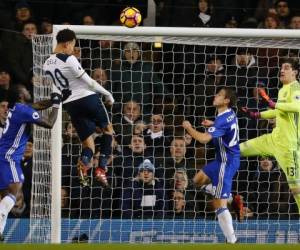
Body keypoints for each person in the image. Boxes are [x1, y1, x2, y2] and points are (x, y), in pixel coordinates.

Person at [43, 28, 115, 187]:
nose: (72, 49)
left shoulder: (46, 64)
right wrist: (107, 93)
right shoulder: (69, 59)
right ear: (67, 43)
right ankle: (101, 169)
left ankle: (84, 165)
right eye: (72, 45)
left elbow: (57, 89)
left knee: (88, 145)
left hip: (71, 105)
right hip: (87, 98)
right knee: (108, 130)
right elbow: (89, 82)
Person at [0, 85, 61, 241]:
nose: (28, 91)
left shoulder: (18, 108)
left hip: (3, 154)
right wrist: (56, 105)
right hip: (9, 157)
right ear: (21, 95)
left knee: (6, 195)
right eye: (25, 90)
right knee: (16, 187)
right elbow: (49, 123)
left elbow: (39, 105)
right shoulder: (23, 110)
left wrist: (58, 98)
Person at [240, 58, 300, 215]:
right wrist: (256, 114)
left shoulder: (296, 88)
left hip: (288, 147)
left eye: (286, 67)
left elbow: (296, 107)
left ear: (295, 72)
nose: (282, 70)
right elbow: (277, 111)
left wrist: (275, 104)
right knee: (237, 149)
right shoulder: (282, 90)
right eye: (281, 67)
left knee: (296, 190)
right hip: (273, 139)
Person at [182, 87, 240, 244]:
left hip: (226, 163)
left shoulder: (221, 120)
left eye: (220, 95)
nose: (216, 96)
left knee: (218, 205)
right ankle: (227, 197)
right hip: (222, 160)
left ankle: (233, 241)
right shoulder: (228, 115)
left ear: (226, 101)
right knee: (197, 180)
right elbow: (225, 128)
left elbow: (204, 139)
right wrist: (213, 124)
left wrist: (188, 128)